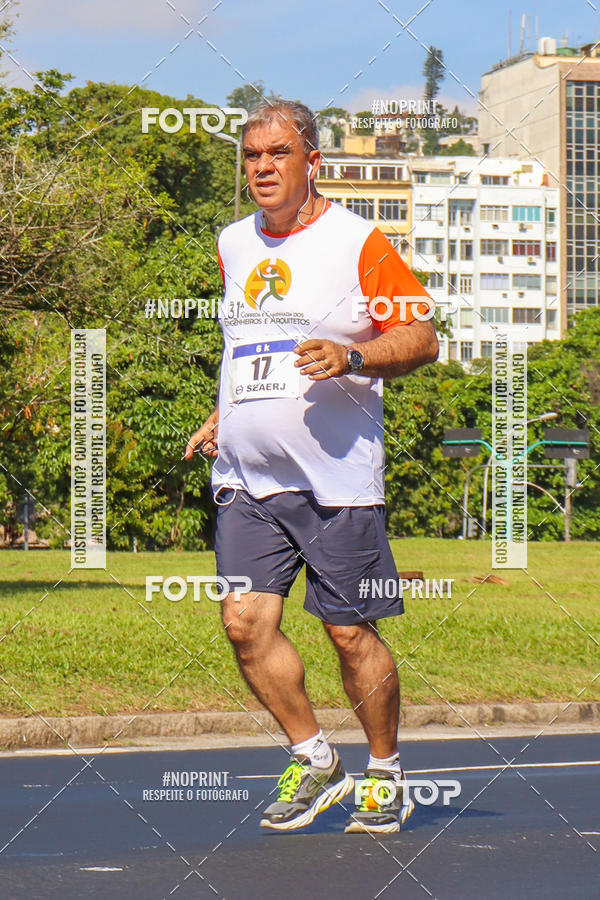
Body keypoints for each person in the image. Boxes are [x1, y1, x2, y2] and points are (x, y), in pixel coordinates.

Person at [186, 99, 438, 834]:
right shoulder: (235, 243)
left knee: (349, 633)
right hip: (247, 477)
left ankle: (385, 773)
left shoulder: (356, 240)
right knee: (243, 623)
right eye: (252, 156)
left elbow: (420, 334)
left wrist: (353, 356)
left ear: (312, 162)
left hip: (336, 480)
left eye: (278, 155)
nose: (262, 168)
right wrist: (224, 411)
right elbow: (244, 344)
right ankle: (314, 755)